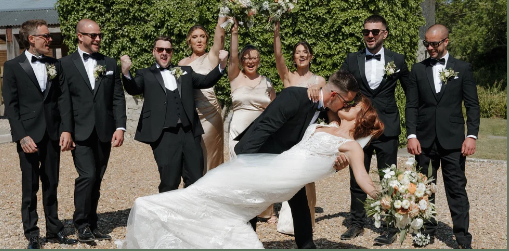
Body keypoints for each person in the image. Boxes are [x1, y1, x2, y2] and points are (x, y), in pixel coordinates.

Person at [119, 95, 384, 249]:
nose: (348, 103)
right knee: (210, 190)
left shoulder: (351, 148)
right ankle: (157, 214)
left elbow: (362, 178)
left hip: (279, 180)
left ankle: (155, 211)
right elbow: (321, 98)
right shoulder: (323, 125)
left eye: (355, 104)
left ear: (362, 117)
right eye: (348, 101)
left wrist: (385, 197)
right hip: (267, 165)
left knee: (217, 192)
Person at [234, 69, 359, 249]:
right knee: (252, 203)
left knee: (299, 202)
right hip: (262, 154)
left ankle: (306, 245)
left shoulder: (326, 108)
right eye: (346, 102)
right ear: (334, 95)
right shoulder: (294, 96)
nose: (346, 106)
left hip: (289, 160)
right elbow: (264, 126)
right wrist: (245, 161)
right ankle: (246, 244)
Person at [2, 19, 77, 249]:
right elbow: (11, 106)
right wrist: (21, 136)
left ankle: (54, 230)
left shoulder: (56, 64)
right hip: (29, 136)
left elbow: (63, 99)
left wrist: (66, 129)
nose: (50, 39)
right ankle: (32, 234)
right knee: (30, 185)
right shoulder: (13, 66)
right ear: (32, 39)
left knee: (51, 183)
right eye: (45, 36)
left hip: (53, 134)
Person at [120, 36, 228, 194]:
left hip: (189, 132)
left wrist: (222, 64)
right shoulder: (145, 74)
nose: (164, 53)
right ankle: (167, 215)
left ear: (172, 53)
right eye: (160, 49)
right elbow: (134, 88)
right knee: (169, 180)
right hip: (163, 134)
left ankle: (191, 215)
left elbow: (206, 81)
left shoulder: (185, 72)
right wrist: (126, 72)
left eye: (168, 50)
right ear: (154, 52)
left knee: (196, 178)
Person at [405, 24, 480, 249]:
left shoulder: (463, 68)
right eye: (426, 43)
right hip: (424, 141)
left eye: (434, 44)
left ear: (446, 41)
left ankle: (462, 237)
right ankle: (425, 233)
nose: (430, 48)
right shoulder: (417, 70)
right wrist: (411, 134)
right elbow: (412, 106)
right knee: (424, 189)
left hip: (454, 141)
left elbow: (473, 105)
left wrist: (472, 136)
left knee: (456, 189)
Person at [339, 14, 409, 245]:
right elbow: (339, 91)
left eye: (375, 31)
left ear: (384, 34)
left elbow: (412, 95)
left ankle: (390, 225)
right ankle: (357, 222)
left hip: (387, 128)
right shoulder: (352, 59)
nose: (370, 35)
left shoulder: (397, 60)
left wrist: (414, 129)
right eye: (366, 31)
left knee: (389, 177)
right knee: (357, 176)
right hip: (360, 128)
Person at [58, 19, 127, 243]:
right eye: (92, 35)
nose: (97, 39)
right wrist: (66, 130)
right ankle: (81, 224)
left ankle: (92, 222)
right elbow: (64, 101)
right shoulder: (65, 64)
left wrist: (120, 126)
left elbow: (117, 97)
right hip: (80, 130)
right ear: (80, 36)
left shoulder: (109, 63)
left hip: (105, 130)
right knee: (87, 175)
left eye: (99, 35)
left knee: (97, 178)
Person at [273, 20, 326, 235]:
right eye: (297, 52)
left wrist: (316, 87)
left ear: (311, 56)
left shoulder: (319, 80)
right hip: (288, 131)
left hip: (307, 133)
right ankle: (287, 221)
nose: (301, 55)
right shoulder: (287, 77)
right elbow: (277, 57)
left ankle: (307, 217)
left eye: (305, 52)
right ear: (294, 57)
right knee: (289, 174)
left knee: (306, 175)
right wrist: (276, 31)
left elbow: (324, 95)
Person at [227, 21, 277, 223]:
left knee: (261, 170)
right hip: (238, 129)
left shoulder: (267, 82)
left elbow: (274, 109)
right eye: (246, 58)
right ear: (241, 60)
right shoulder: (235, 77)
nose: (250, 61)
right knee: (239, 169)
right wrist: (235, 32)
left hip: (260, 130)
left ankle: (264, 211)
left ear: (259, 61)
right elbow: (231, 55)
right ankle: (240, 209)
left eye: (254, 58)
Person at [178, 16, 226, 172]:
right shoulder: (182, 64)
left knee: (211, 158)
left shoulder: (211, 57)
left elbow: (220, 34)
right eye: (195, 37)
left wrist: (225, 10)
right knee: (191, 160)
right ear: (189, 41)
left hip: (210, 114)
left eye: (202, 37)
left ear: (207, 40)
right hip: (190, 115)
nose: (199, 40)